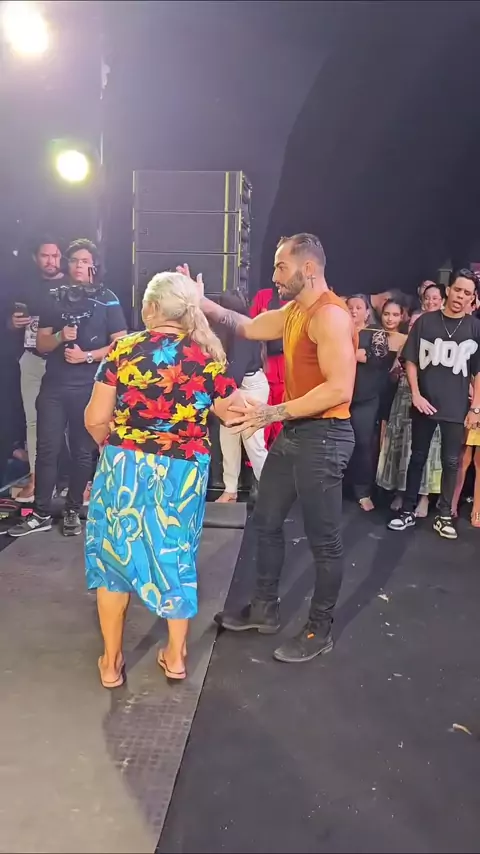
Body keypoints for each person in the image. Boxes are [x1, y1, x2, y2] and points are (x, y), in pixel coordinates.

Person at [180, 232, 357, 664]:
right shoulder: (295, 311)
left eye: (281, 267)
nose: (275, 275)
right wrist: (203, 304)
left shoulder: (330, 316)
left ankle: (319, 629)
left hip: (326, 436)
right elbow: (247, 325)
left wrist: (273, 412)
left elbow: (339, 388)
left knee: (324, 542)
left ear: (308, 269)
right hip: (297, 431)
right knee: (266, 519)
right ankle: (264, 609)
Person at [83, 272, 240, 687]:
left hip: (124, 467)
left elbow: (95, 418)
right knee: (176, 556)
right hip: (182, 473)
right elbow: (234, 415)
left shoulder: (123, 350)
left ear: (152, 308)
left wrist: (115, 449)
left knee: (114, 561)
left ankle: (112, 663)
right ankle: (175, 657)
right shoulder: (206, 356)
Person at [9, 239, 127, 539]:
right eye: (74, 260)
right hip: (54, 384)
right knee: (47, 448)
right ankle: (41, 513)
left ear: (94, 265)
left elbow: (121, 344)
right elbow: (41, 342)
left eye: (85, 261)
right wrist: (61, 336)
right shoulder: (55, 297)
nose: (79, 266)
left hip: (89, 386)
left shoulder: (107, 298)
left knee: (82, 451)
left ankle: (73, 509)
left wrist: (87, 356)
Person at [388, 269, 480, 539]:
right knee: (417, 457)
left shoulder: (475, 328)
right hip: (424, 403)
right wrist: (416, 394)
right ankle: (407, 511)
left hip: (456, 407)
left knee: (451, 462)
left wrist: (476, 407)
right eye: (457, 290)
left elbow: (478, 372)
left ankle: (444, 515)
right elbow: (411, 360)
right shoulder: (426, 322)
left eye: (467, 293)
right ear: (448, 290)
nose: (461, 296)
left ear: (472, 298)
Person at [8, 238, 65, 502]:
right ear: (35, 258)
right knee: (33, 420)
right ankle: (36, 478)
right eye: (45, 256)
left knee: (68, 422)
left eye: (55, 255)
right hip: (31, 358)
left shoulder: (71, 286)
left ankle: (70, 480)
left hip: (63, 360)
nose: (51, 261)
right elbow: (10, 324)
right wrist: (13, 323)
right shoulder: (25, 286)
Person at [376, 311, 442, 517]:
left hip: (427, 401)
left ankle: (424, 497)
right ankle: (401, 492)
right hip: (403, 401)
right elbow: (392, 378)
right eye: (412, 324)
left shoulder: (436, 345)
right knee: (401, 447)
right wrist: (396, 373)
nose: (414, 327)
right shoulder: (404, 346)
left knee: (427, 450)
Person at [215, 291, 269, 503]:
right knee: (228, 440)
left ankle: (271, 491)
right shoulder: (228, 332)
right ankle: (230, 490)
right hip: (233, 387)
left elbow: (236, 373)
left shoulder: (243, 333)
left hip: (249, 387)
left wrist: (217, 397)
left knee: (253, 442)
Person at [346, 295, 389, 511]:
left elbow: (378, 356)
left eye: (358, 307)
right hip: (340, 397)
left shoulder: (375, 332)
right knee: (338, 443)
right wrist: (355, 354)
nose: (354, 311)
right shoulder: (340, 331)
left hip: (366, 398)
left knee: (362, 443)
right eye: (350, 307)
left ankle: (363, 491)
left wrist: (358, 354)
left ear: (367, 311)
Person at [250, 285, 288, 448]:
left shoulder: (298, 301)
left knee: (281, 418)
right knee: (260, 416)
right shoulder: (263, 296)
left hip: (286, 368)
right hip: (264, 365)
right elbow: (250, 327)